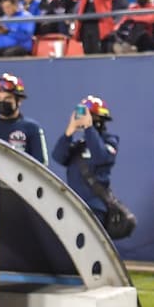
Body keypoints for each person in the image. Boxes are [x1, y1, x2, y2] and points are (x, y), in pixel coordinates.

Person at [52, 96, 119, 229]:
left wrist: (89, 128)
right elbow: (58, 157)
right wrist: (69, 132)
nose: (86, 119)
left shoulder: (110, 140)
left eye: (91, 116)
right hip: (73, 207)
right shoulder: (80, 145)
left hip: (95, 207)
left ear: (101, 119)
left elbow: (100, 157)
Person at [0, 73, 48, 165]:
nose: (2, 102)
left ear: (19, 101)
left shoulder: (32, 128)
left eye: (7, 98)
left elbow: (41, 166)